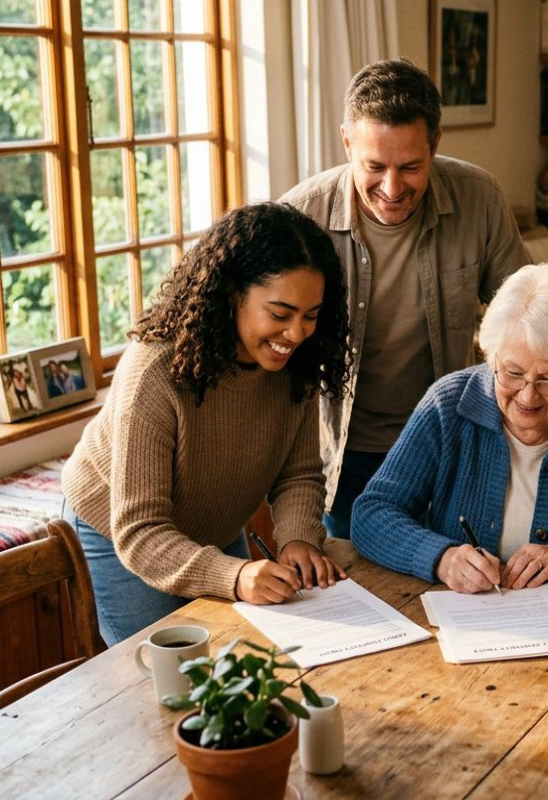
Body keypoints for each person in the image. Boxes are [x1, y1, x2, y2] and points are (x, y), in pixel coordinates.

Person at [61, 203, 352, 646]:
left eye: (310, 315)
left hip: (209, 530)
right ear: (232, 294)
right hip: (120, 536)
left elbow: (298, 475)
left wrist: (298, 540)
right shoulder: (154, 373)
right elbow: (140, 532)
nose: (296, 333)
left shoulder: (298, 363)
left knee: (238, 659)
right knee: (170, 678)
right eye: (280, 314)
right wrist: (234, 575)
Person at [280, 58, 527, 540]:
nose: (392, 189)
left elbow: (526, 315)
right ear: (347, 142)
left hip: (450, 444)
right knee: (366, 598)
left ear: (435, 144)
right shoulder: (297, 218)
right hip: (345, 454)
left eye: (411, 167)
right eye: (374, 166)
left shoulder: (479, 198)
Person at [351, 263, 548, 592]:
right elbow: (371, 514)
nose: (528, 395)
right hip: (467, 625)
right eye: (513, 373)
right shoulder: (448, 405)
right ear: (492, 355)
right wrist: (442, 558)